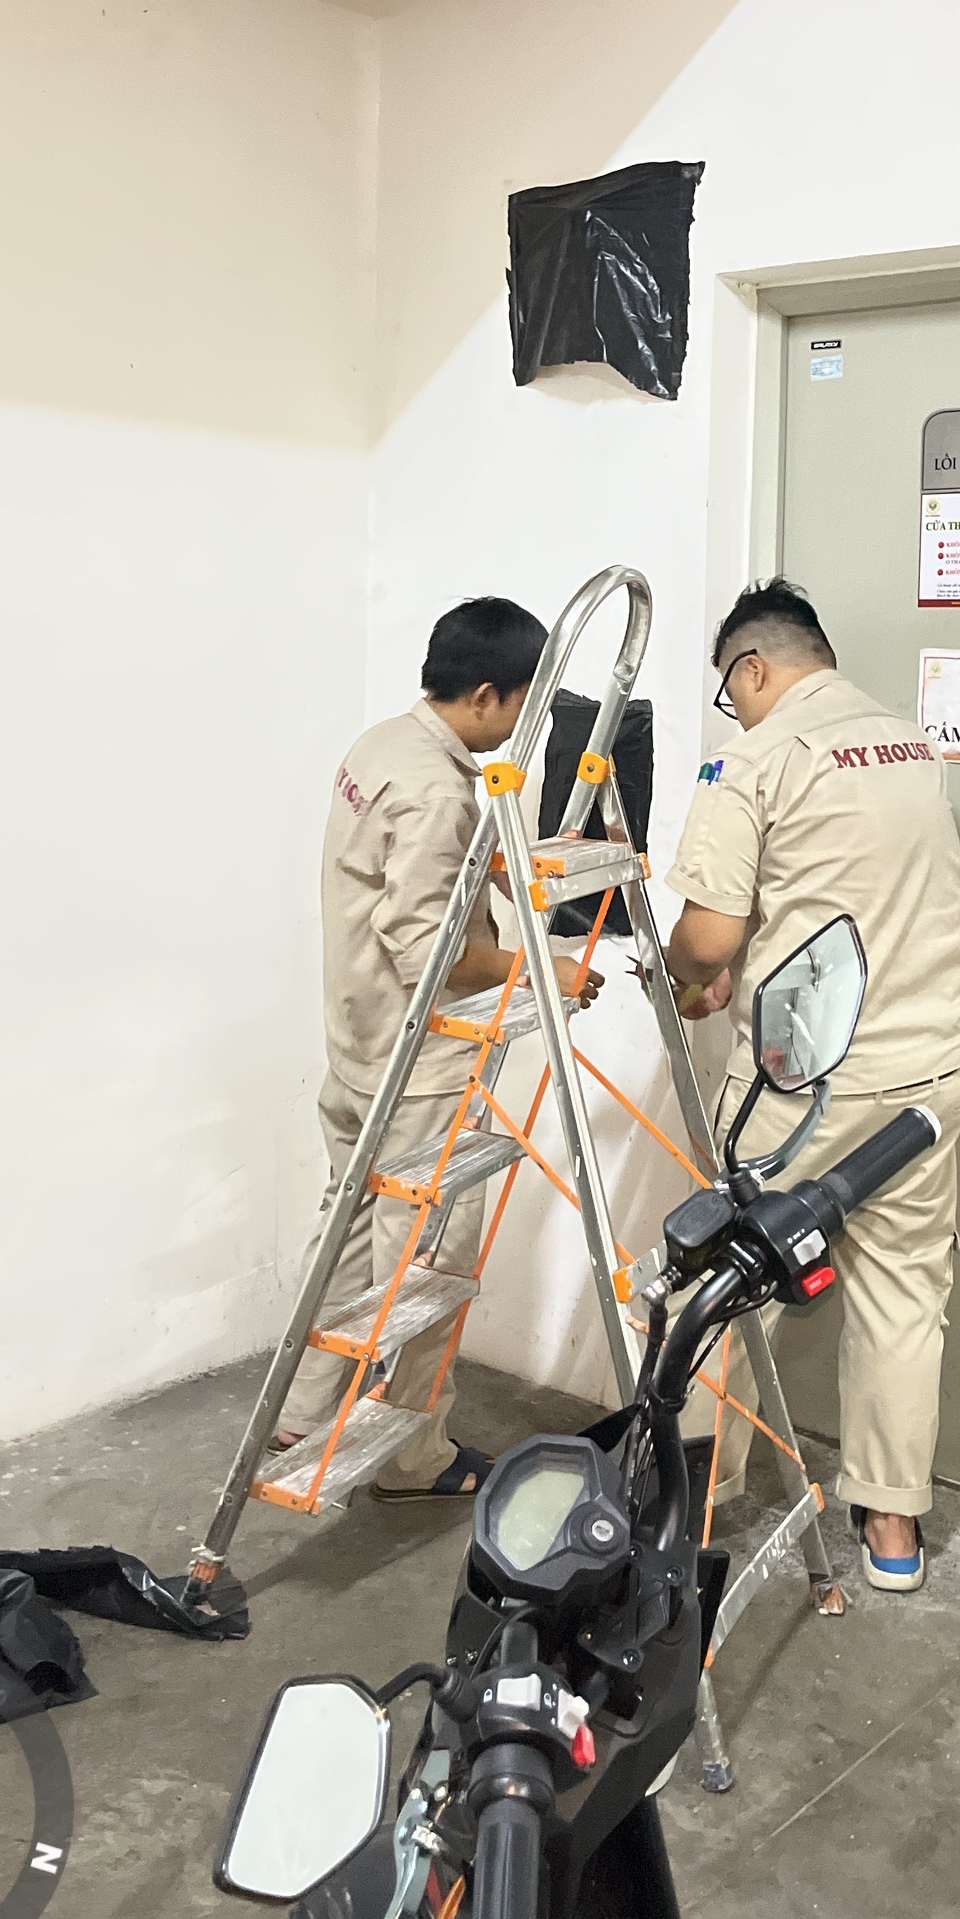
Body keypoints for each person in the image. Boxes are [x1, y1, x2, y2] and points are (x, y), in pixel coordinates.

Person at [663, 579, 960, 1591]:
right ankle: (892, 1533)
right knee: (904, 1295)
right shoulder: (911, 745)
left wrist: (688, 975)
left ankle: (687, 1506)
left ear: (753, 668)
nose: (735, 711)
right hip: (928, 1073)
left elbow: (707, 935)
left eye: (732, 692)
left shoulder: (754, 759)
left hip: (807, 1087)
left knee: (723, 1283)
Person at [274, 596, 598, 1500]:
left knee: (347, 1228)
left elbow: (399, 879)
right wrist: (543, 972)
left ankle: (302, 1407)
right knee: (427, 1264)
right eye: (524, 705)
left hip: (357, 1047)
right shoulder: (439, 789)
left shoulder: (381, 747)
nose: (525, 726)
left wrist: (487, 864)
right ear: (487, 695)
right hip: (417, 1070)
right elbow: (431, 952)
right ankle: (413, 1458)